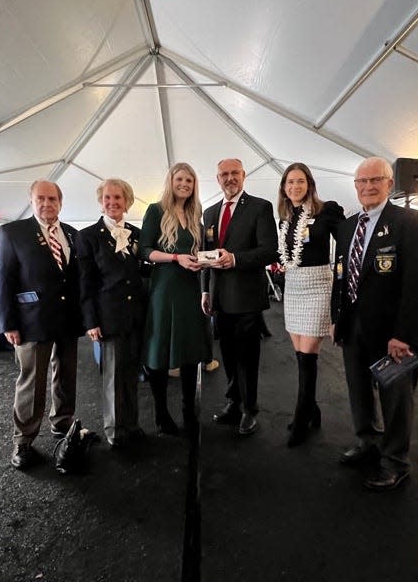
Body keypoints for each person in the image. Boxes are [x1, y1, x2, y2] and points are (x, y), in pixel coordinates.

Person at [331, 157, 418, 491]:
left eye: (376, 179)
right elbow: (342, 275)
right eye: (361, 181)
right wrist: (338, 319)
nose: (368, 187)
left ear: (390, 184)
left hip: (393, 334)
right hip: (353, 327)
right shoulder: (348, 226)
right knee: (358, 389)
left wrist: (405, 334)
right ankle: (367, 441)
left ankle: (395, 461)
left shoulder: (412, 221)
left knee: (396, 397)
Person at [0, 180, 82, 469]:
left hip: (67, 321)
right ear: (31, 201)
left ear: (60, 202)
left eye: (52, 199)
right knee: (31, 382)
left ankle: (62, 423)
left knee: (66, 376)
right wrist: (8, 323)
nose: (47, 204)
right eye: (41, 198)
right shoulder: (12, 232)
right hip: (31, 322)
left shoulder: (72, 234)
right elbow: (3, 281)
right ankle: (23, 441)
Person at [202, 158, 278, 435]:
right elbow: (206, 254)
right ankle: (233, 403)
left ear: (244, 176)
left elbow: (270, 251)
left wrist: (235, 258)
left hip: (246, 298)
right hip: (219, 298)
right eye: (224, 174)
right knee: (229, 355)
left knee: (247, 357)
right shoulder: (209, 213)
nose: (229, 178)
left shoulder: (260, 207)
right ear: (217, 178)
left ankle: (250, 409)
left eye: (235, 173)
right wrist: (205, 290)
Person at [139, 162, 211, 435]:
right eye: (180, 179)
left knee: (190, 350)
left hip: (191, 287)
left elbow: (200, 250)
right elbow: (145, 251)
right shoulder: (156, 210)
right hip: (165, 288)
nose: (184, 184)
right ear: (171, 182)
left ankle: (188, 409)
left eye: (189, 181)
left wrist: (204, 261)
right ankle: (160, 414)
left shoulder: (197, 216)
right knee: (160, 350)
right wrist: (175, 257)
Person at [277, 162, 344, 446]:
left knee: (308, 358)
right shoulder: (286, 217)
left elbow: (347, 241)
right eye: (290, 182)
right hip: (294, 286)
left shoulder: (326, 210)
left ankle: (301, 419)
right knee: (299, 355)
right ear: (283, 187)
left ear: (310, 184)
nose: (295, 187)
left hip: (318, 285)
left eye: (300, 181)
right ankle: (312, 409)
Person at [76, 178, 147, 448]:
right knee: (113, 377)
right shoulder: (88, 236)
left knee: (131, 373)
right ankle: (115, 430)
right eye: (107, 197)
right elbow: (85, 283)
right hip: (108, 317)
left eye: (118, 198)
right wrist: (91, 321)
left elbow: (144, 272)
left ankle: (132, 424)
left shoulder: (136, 233)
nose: (113, 202)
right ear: (100, 201)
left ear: (127, 202)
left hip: (135, 316)